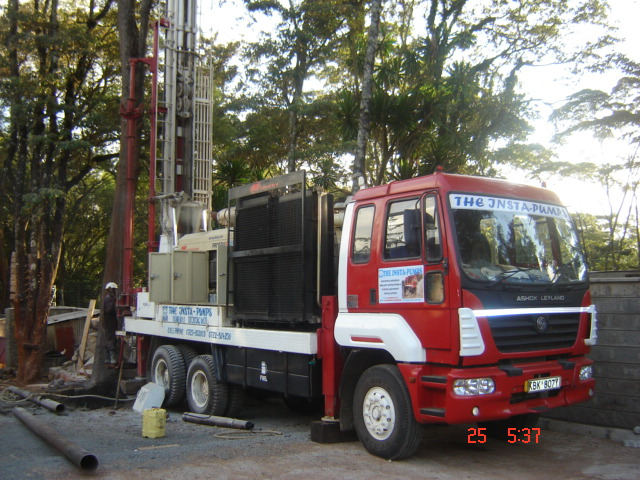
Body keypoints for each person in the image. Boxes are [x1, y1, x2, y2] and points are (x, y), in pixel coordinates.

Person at [103, 282, 119, 365]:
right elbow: (109, 310)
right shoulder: (109, 299)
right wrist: (114, 302)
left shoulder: (110, 298)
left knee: (111, 339)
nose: (115, 292)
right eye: (114, 290)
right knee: (111, 339)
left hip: (111, 323)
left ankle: (108, 358)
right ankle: (111, 358)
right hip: (109, 323)